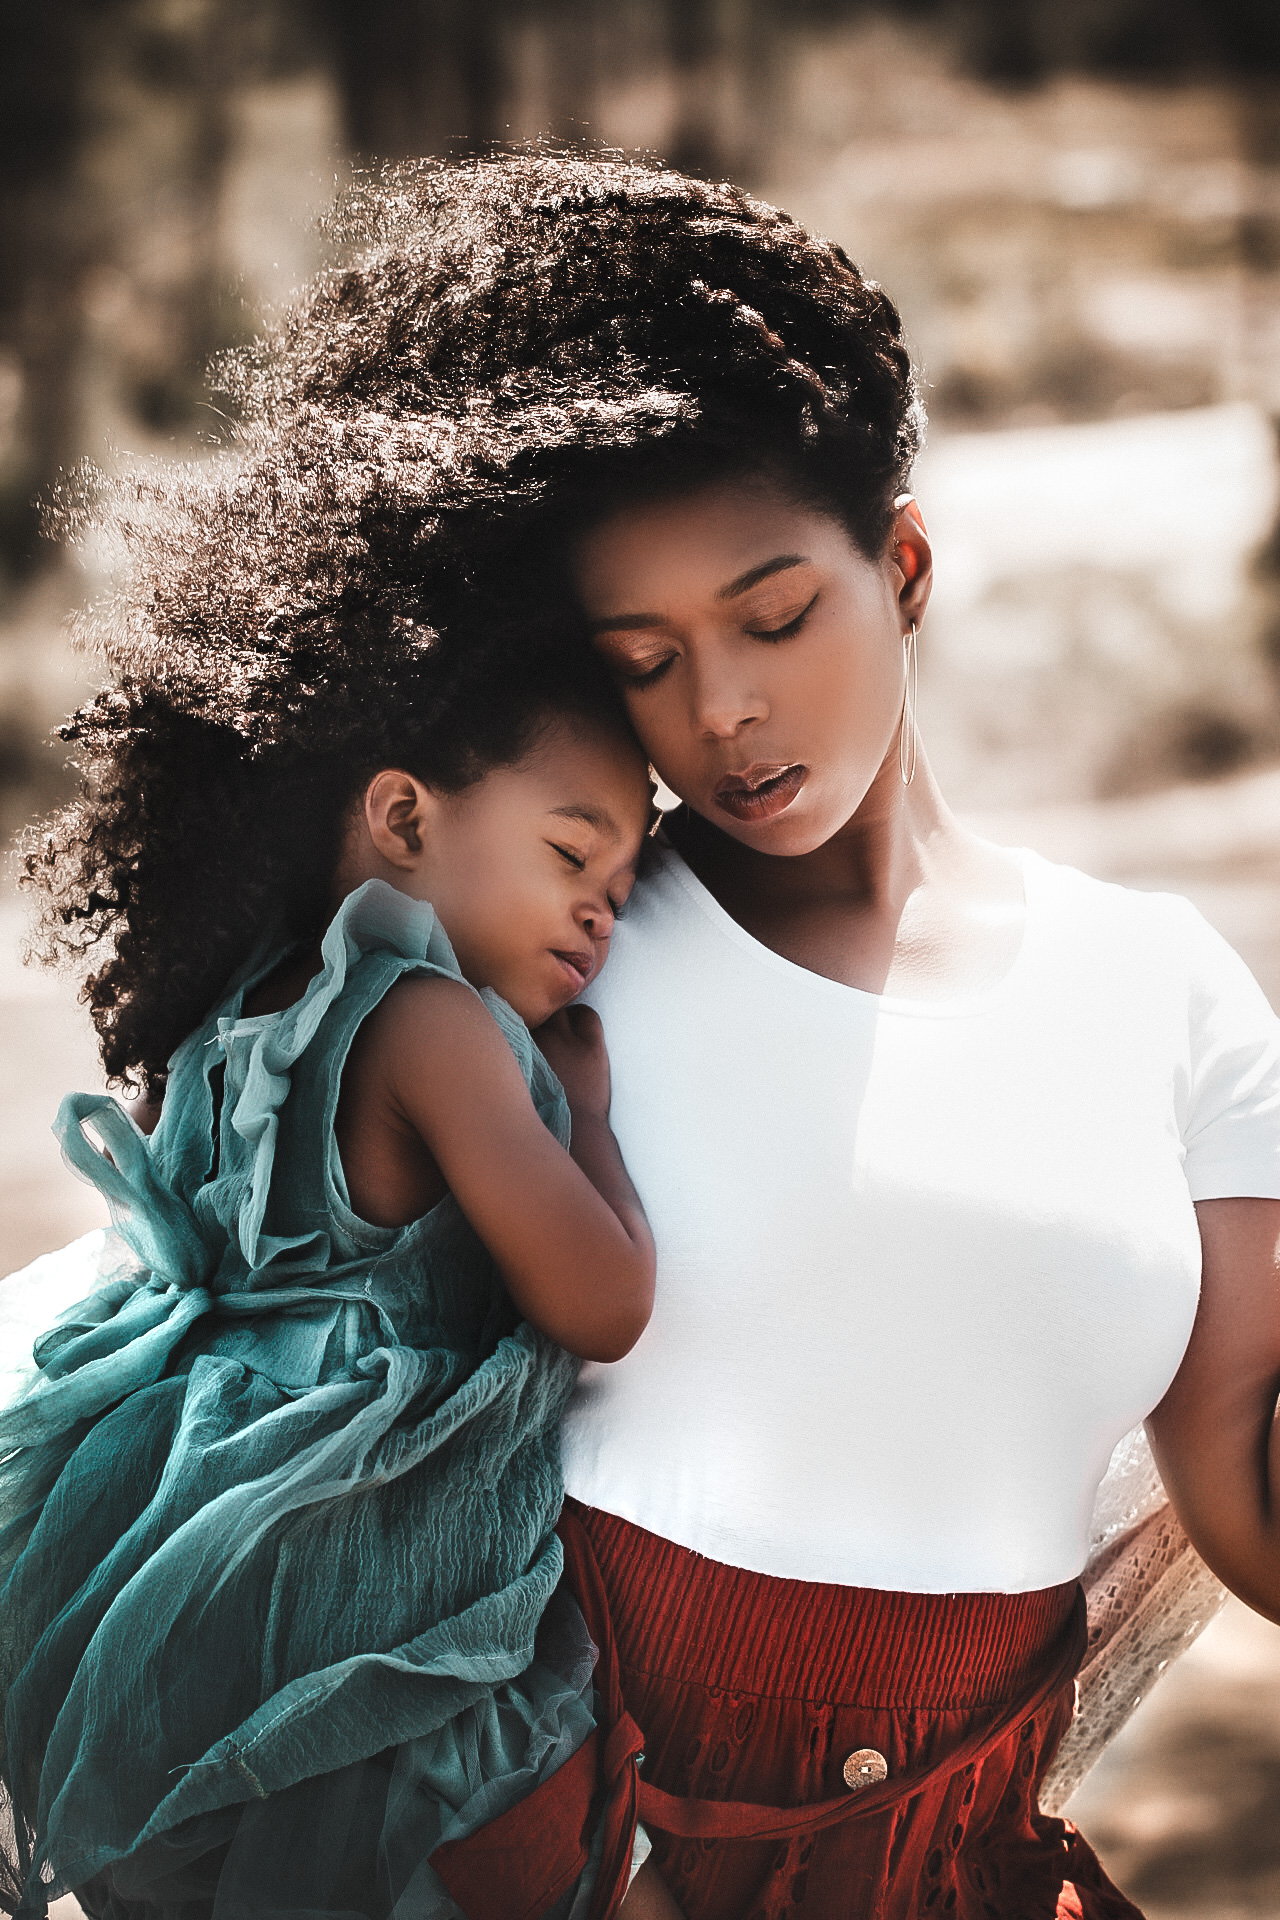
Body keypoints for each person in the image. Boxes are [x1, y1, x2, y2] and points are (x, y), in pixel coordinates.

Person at [254, 155, 1276, 1919]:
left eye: (776, 617)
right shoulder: (560, 972)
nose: (721, 709)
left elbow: (1246, 1492)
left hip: (970, 1872)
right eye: (641, 660)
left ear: (904, 565)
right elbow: (305, 1363)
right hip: (578, 1867)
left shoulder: (1164, 991)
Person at [0, 614, 677, 1916]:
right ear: (408, 822)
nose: (603, 908)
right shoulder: (433, 1024)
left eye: (625, 883)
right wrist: (586, 1116)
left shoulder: (242, 1015)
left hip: (163, 1603)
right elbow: (605, 1301)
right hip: (340, 1616)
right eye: (571, 851)